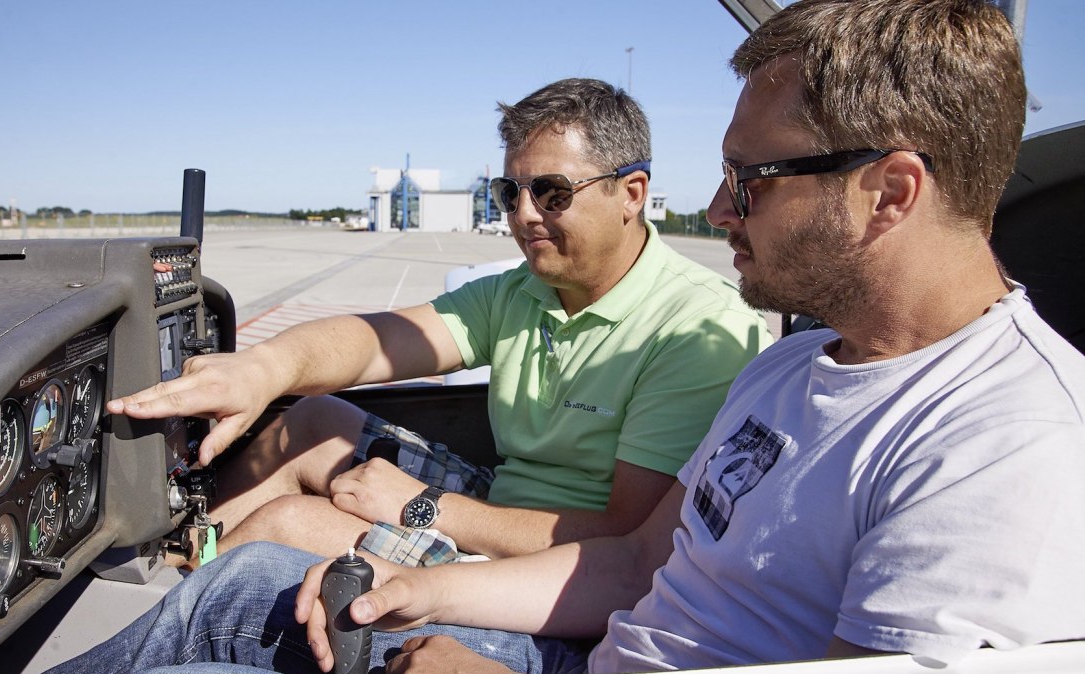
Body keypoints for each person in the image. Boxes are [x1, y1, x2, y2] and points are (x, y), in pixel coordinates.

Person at [34, 0, 1085, 674]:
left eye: (750, 176)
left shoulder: (1002, 449)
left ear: (888, 192)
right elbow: (635, 560)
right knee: (233, 582)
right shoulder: (786, 369)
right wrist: (421, 588)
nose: (717, 209)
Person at [112, 78, 769, 569]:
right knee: (309, 423)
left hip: (559, 565)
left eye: (553, 193)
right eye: (510, 193)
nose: (523, 215)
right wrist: (266, 367)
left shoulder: (694, 327)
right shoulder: (522, 291)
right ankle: (191, 565)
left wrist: (422, 506)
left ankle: (185, 618)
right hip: (501, 504)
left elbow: (622, 536)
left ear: (631, 194)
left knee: (288, 523)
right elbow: (380, 341)